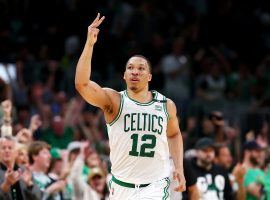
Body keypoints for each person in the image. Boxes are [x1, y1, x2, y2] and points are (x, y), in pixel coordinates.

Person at [75, 13, 186, 199]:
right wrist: (89, 44)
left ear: (149, 76)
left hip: (155, 186)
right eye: (130, 68)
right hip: (121, 186)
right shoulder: (114, 100)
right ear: (124, 75)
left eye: (141, 68)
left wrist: (179, 167)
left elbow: (174, 133)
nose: (135, 71)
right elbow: (82, 84)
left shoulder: (166, 105)